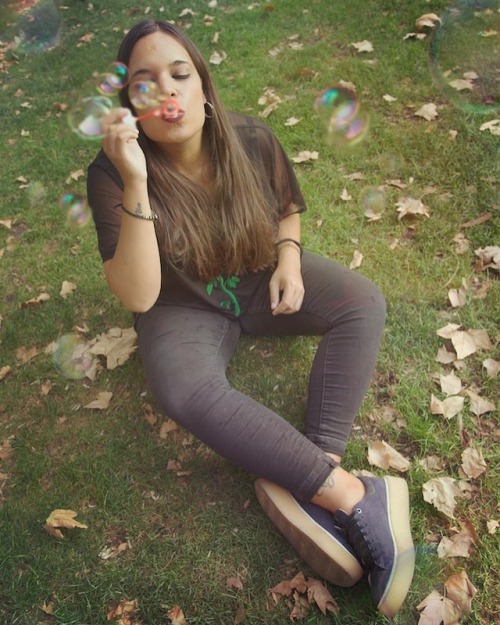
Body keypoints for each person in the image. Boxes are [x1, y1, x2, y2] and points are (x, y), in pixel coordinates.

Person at [86, 19, 414, 618]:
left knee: (362, 302)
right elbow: (137, 294)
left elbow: (285, 208)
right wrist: (135, 178)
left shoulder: (250, 139)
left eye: (179, 74)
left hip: (259, 274)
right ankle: (352, 494)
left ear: (204, 86)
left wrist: (288, 256)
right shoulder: (111, 173)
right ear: (129, 106)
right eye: (144, 83)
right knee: (182, 386)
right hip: (178, 305)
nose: (167, 92)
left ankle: (311, 477)